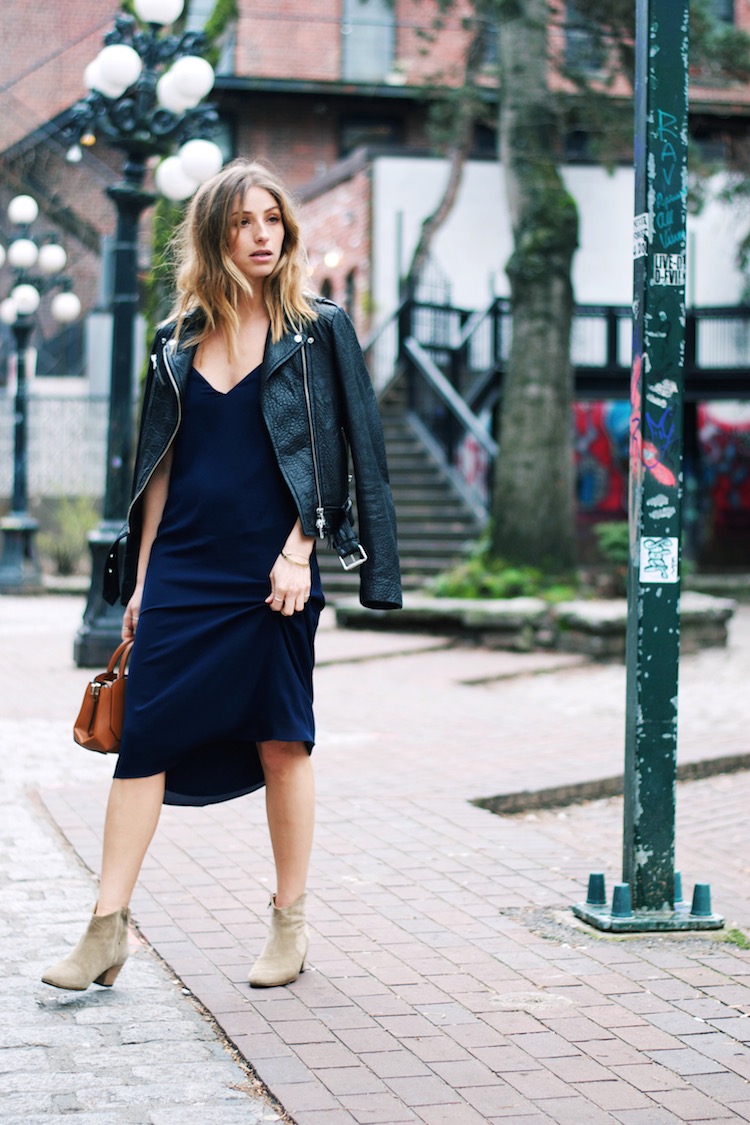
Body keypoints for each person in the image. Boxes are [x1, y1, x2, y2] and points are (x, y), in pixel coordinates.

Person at [42, 158, 401, 993]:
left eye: (272, 219)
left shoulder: (318, 331)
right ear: (214, 235)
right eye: (243, 222)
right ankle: (106, 927)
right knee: (144, 741)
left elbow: (344, 455)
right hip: (187, 566)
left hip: (273, 569)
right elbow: (160, 465)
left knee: (283, 737)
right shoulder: (175, 344)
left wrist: (302, 550)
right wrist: (140, 578)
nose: (262, 235)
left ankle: (290, 921)